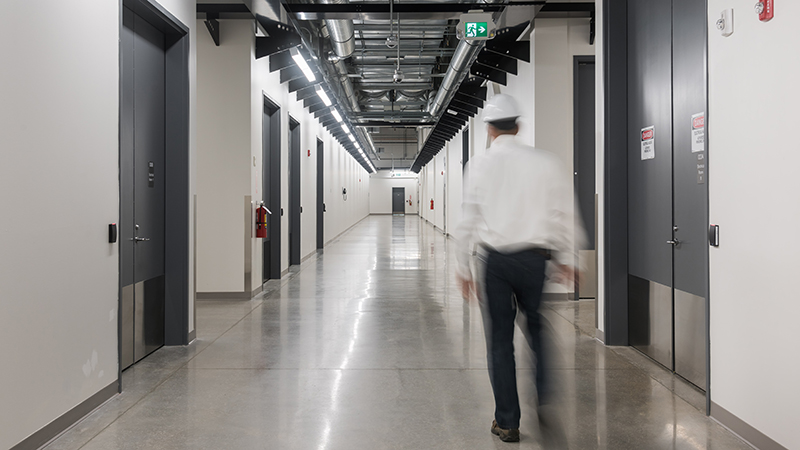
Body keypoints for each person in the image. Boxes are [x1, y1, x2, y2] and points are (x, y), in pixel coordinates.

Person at [455, 94, 581, 444]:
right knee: (538, 330)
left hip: (494, 262)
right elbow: (563, 213)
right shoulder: (546, 163)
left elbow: (468, 219)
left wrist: (462, 266)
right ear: (519, 125)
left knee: (499, 342)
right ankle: (544, 397)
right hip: (534, 260)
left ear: (490, 129)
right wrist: (569, 257)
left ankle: (507, 421)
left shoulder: (479, 165)